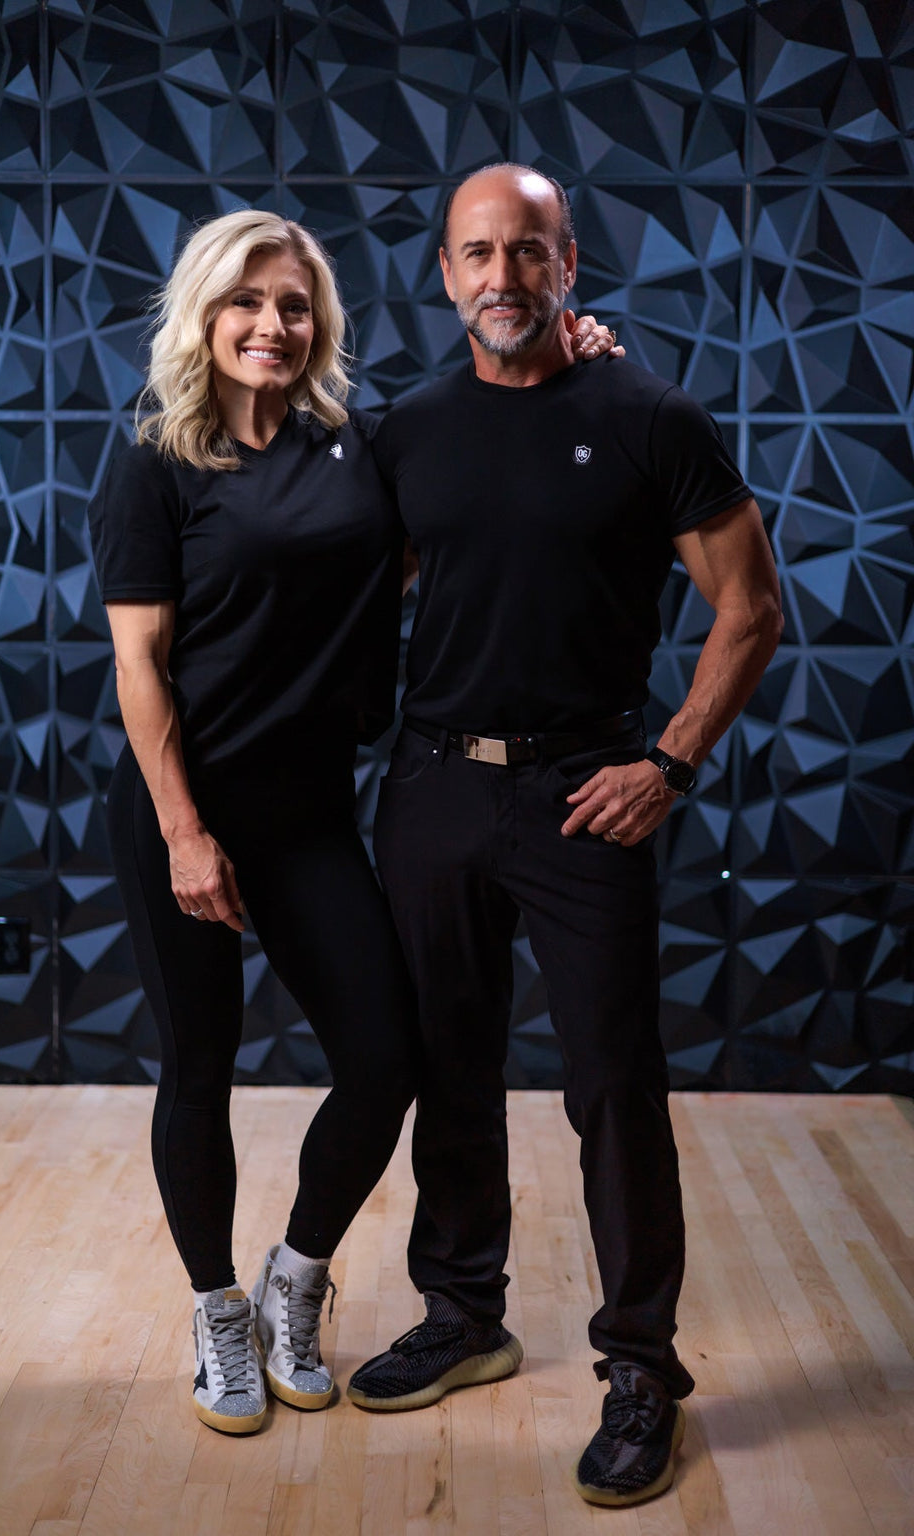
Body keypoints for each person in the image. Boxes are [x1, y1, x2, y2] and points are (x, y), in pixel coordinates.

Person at [88, 207, 619, 1437]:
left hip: (313, 811)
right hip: (187, 812)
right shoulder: (155, 458)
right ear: (204, 313)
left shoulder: (357, 444)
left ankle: (296, 1279)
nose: (270, 325)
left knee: (388, 1059)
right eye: (245, 302)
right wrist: (182, 833)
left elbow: (479, 453)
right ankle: (219, 1309)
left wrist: (574, 348)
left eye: (292, 304)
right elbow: (141, 667)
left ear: (317, 319)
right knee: (199, 1068)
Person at [346, 165, 784, 1510]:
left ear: (570, 264)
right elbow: (353, 590)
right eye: (478, 254)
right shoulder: (405, 432)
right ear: (443, 274)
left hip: (586, 794)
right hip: (430, 790)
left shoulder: (652, 417)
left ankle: (642, 1366)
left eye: (528, 253)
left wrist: (668, 763)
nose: (503, 279)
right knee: (448, 1064)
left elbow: (750, 606)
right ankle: (466, 1311)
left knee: (612, 1087)